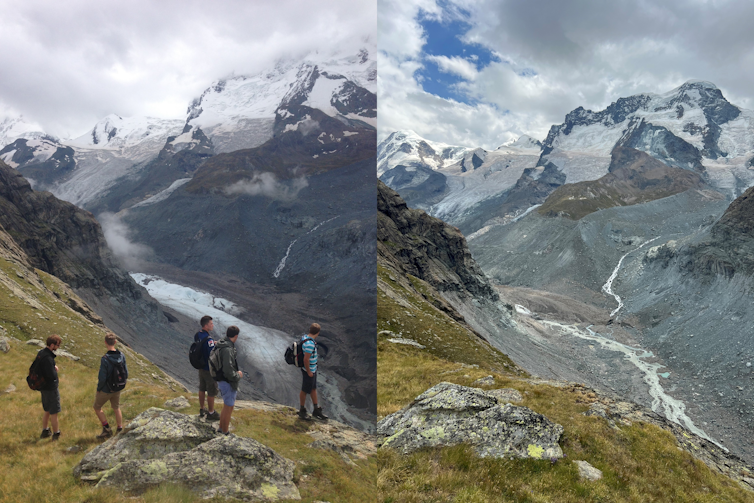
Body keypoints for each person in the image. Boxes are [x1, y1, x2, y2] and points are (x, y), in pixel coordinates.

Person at [94, 332, 128, 439]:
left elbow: (102, 378)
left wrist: (99, 389)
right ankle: (119, 428)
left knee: (97, 407)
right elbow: (126, 373)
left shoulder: (105, 359)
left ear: (105, 343)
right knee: (116, 408)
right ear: (115, 342)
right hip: (118, 387)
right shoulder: (122, 356)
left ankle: (107, 429)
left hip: (107, 389)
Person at [212, 325, 243, 435]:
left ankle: (221, 428)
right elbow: (228, 370)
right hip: (227, 381)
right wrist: (238, 376)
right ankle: (225, 432)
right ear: (236, 336)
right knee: (229, 407)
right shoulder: (227, 349)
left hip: (221, 380)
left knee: (227, 406)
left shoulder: (222, 343)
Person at [299, 323, 328, 421]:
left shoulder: (305, 338)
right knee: (304, 390)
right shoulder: (310, 344)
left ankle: (316, 409)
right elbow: (306, 360)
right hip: (309, 370)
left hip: (313, 369)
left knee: (313, 388)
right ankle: (302, 410)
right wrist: (309, 372)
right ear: (318, 333)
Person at [195, 315, 220, 420]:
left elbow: (202, 345)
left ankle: (202, 408)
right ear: (206, 325)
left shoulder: (198, 335)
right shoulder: (209, 339)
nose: (212, 325)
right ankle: (211, 412)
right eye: (211, 323)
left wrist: (212, 344)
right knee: (211, 391)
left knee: (202, 388)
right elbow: (211, 354)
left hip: (200, 366)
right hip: (208, 369)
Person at [38, 334, 62, 441]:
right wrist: (55, 370)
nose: (58, 347)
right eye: (57, 345)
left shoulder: (42, 353)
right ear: (52, 345)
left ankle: (45, 430)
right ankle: (56, 434)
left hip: (43, 388)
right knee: (54, 411)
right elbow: (51, 375)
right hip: (50, 388)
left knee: (47, 409)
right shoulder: (48, 357)